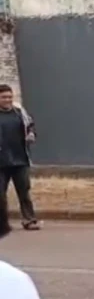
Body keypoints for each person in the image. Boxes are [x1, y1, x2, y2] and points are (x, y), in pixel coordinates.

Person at [0, 84, 39, 231]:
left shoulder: (19, 113)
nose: (7, 100)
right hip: (1, 161)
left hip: (20, 159)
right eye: (4, 97)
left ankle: (29, 220)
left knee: (24, 191)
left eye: (10, 97)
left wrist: (31, 134)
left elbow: (30, 126)